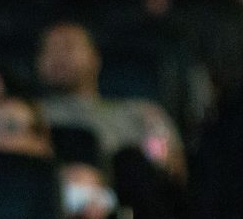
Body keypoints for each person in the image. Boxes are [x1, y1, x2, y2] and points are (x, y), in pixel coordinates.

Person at [36, 21, 187, 187]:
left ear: (95, 59)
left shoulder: (141, 113)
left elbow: (167, 168)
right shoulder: (27, 114)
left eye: (68, 46)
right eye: (49, 49)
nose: (58, 55)